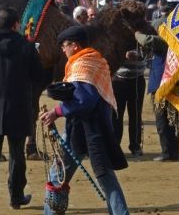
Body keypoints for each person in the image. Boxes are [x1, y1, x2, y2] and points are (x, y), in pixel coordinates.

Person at [40, 25, 129, 215]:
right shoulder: (95, 60)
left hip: (86, 129)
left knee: (58, 175)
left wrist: (57, 111)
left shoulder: (82, 65)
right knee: (105, 177)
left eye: (65, 45)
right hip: (95, 128)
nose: (63, 50)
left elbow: (85, 100)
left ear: (75, 45)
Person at [0, 8, 45, 215]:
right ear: (15, 24)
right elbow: (38, 75)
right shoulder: (26, 46)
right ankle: (16, 196)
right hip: (18, 106)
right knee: (17, 156)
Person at [136, 29, 179, 162]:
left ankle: (168, 152)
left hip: (162, 84)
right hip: (169, 83)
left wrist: (136, 34)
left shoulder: (166, 39)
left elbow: (148, 40)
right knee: (171, 120)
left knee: (163, 120)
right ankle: (172, 152)